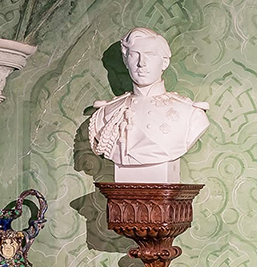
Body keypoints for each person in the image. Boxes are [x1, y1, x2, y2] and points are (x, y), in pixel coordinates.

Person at [88, 27, 212, 174]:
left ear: (164, 62)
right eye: (134, 55)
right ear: (126, 61)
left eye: (150, 55)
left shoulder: (190, 114)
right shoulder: (107, 113)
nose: (142, 63)